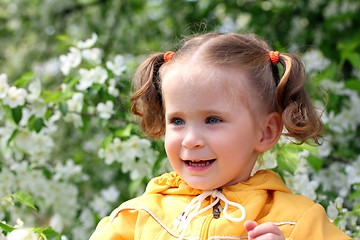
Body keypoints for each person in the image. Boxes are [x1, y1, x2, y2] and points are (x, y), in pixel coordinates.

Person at [89, 32, 352, 240]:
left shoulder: (297, 220)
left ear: (266, 132)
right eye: (177, 120)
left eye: (213, 120)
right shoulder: (135, 219)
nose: (191, 139)